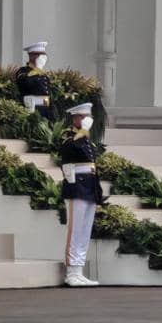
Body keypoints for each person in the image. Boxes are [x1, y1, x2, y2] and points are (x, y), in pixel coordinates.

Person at [59, 102, 103, 287]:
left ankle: (79, 271)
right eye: (83, 117)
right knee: (75, 230)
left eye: (88, 117)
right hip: (76, 187)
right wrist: (82, 132)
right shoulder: (69, 136)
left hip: (89, 187)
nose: (87, 120)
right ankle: (71, 272)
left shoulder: (87, 140)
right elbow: (70, 150)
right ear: (75, 118)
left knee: (85, 231)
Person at [15, 41, 53, 120]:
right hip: (32, 110)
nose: (43, 58)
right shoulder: (23, 71)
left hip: (45, 111)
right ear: (31, 56)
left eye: (44, 55)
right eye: (39, 55)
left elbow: (47, 94)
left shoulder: (43, 74)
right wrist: (37, 69)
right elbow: (25, 83)